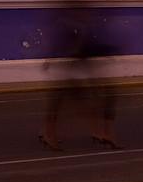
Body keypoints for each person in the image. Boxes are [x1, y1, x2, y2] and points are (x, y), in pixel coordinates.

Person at [41, 9, 119, 152]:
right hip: (69, 72)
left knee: (97, 101)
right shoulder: (69, 27)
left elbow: (85, 51)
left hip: (77, 71)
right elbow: (68, 49)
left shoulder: (82, 27)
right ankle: (48, 134)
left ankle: (102, 133)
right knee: (65, 103)